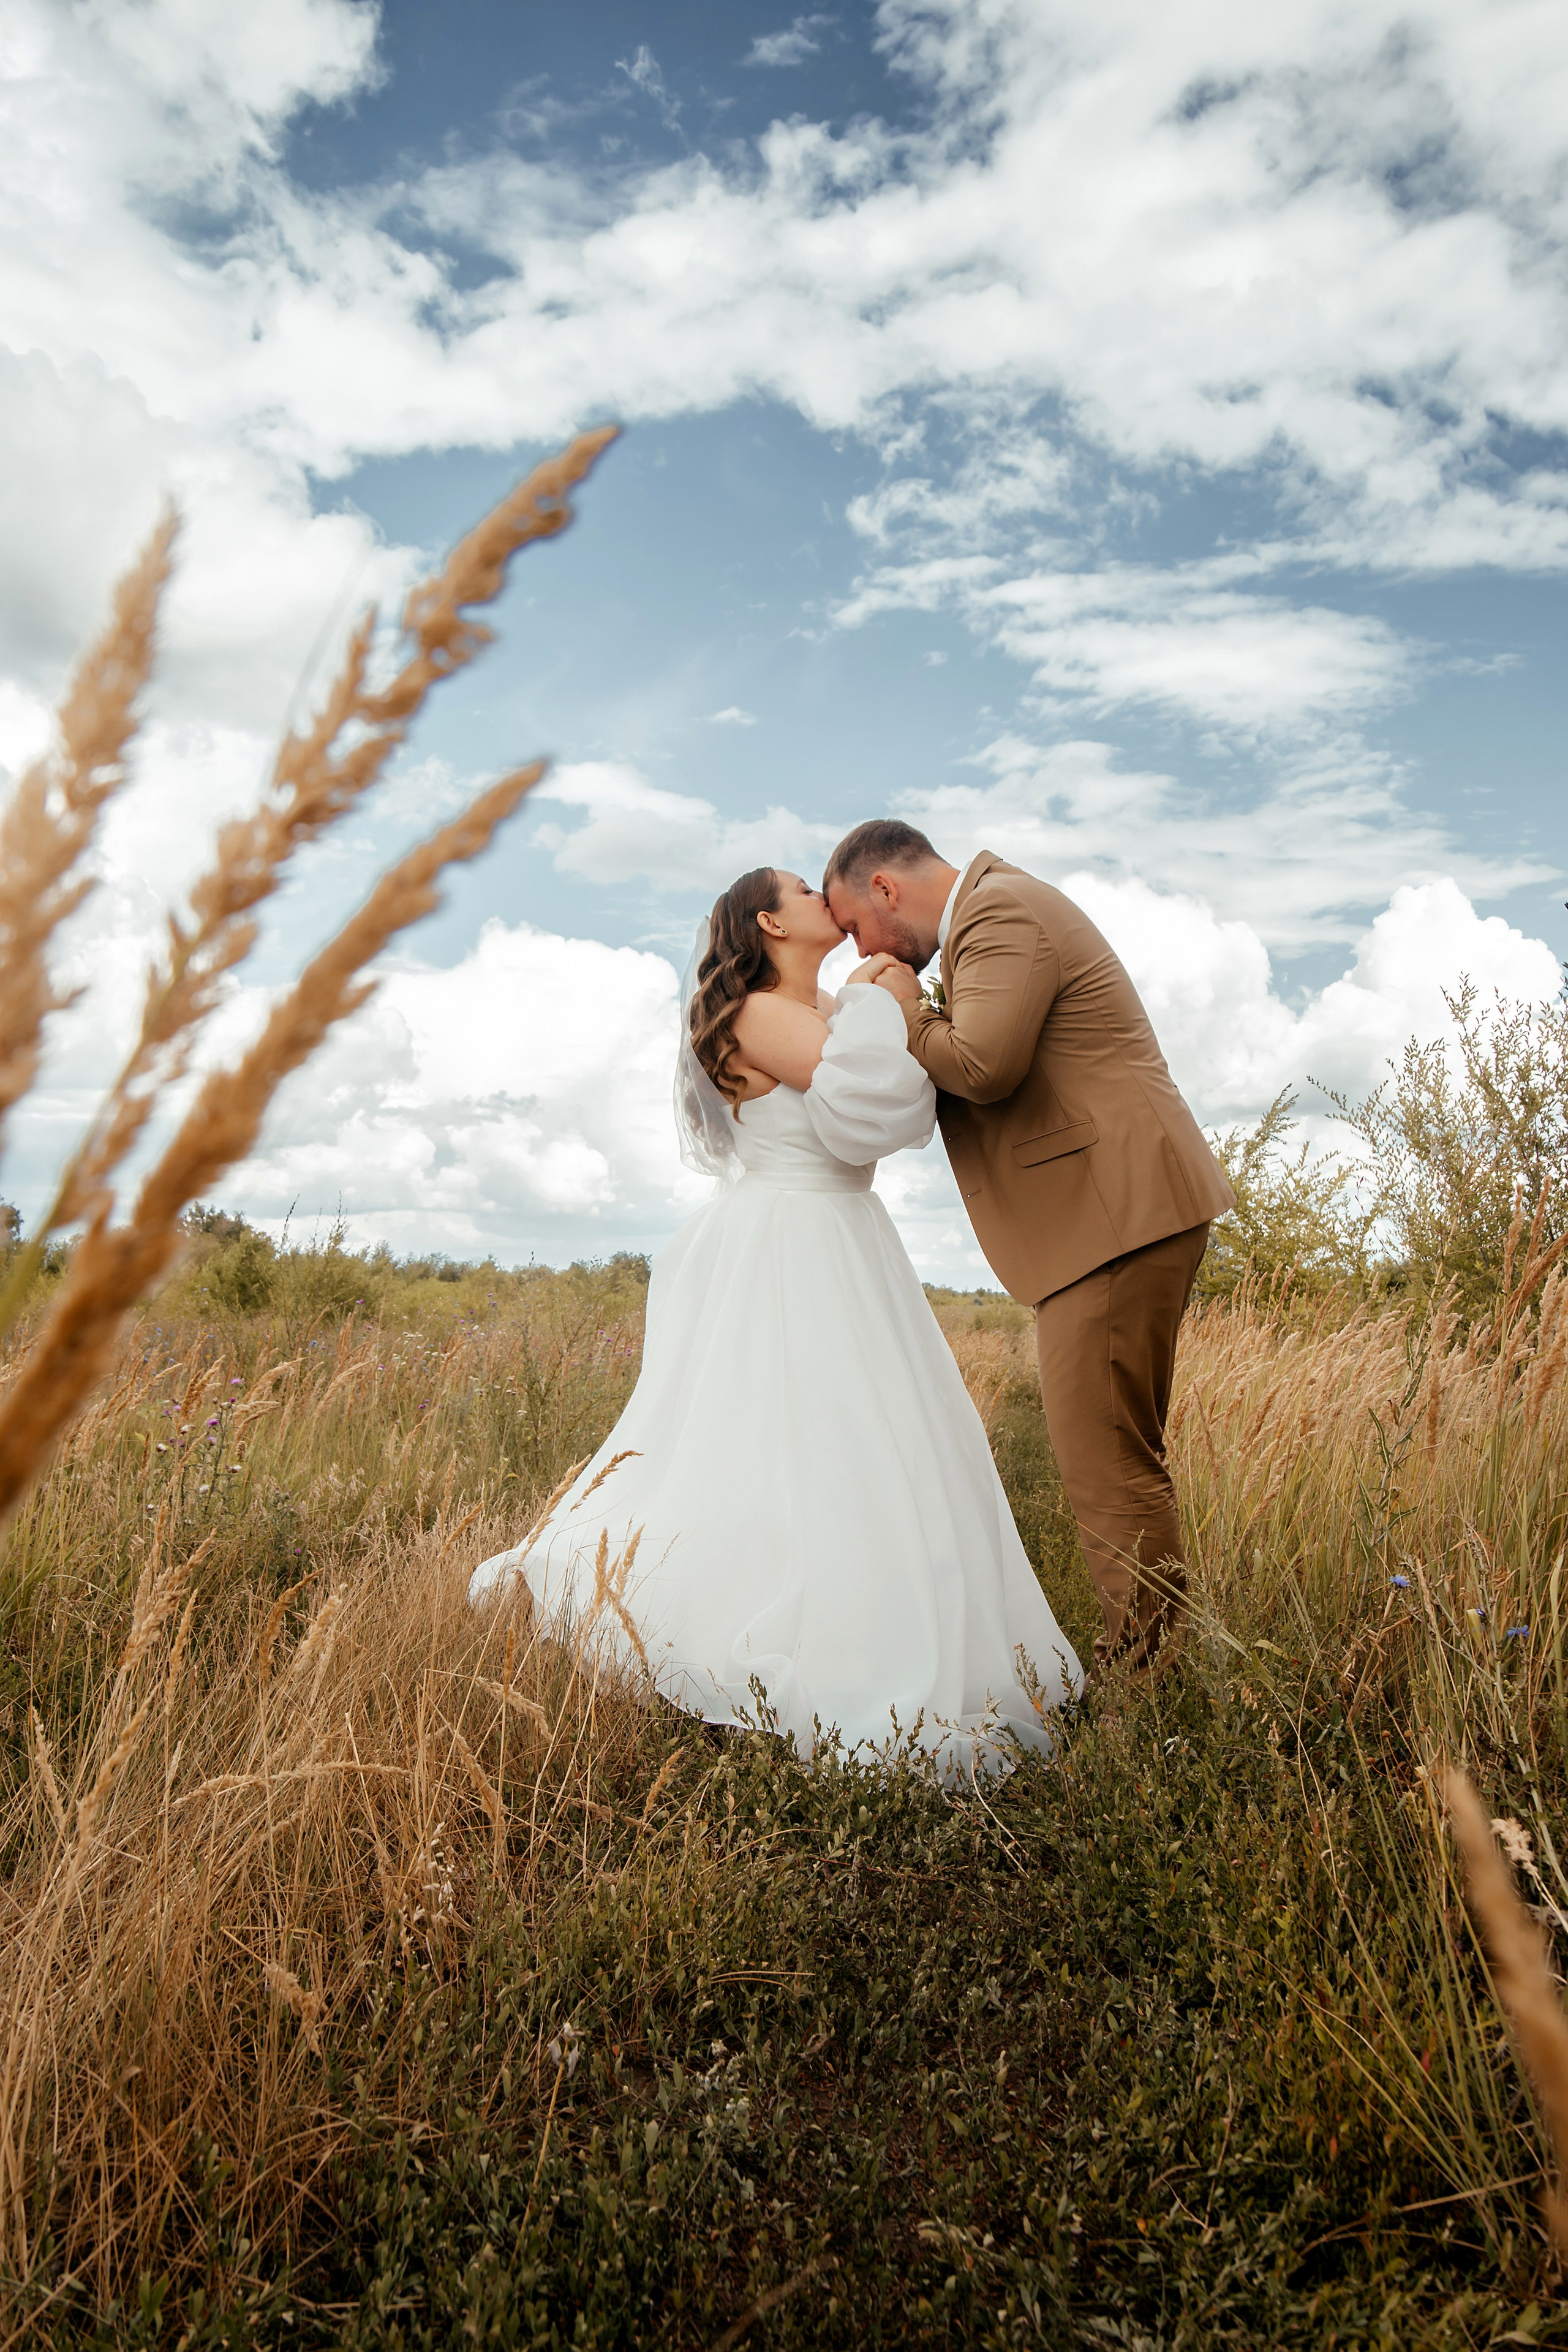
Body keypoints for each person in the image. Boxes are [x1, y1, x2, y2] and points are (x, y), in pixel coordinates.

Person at [469, 865, 1082, 1776]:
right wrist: (884, 1002)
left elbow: (893, 1108)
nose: (822, 902)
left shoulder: (829, 1005)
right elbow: (877, 1113)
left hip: (844, 1234)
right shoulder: (759, 1012)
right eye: (803, 889)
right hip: (796, 1240)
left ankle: (883, 1607)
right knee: (804, 1442)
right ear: (768, 920)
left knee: (874, 1444)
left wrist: (876, 1003)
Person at [823, 821, 1234, 1680]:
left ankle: (1145, 1692)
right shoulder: (997, 911)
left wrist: (904, 1008)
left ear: (885, 891)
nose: (857, 947)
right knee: (1120, 1456)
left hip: (1116, 1215)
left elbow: (981, 1065)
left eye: (854, 925)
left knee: (1106, 1467)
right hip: (1116, 1215)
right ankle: (1156, 1673)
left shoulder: (998, 914)